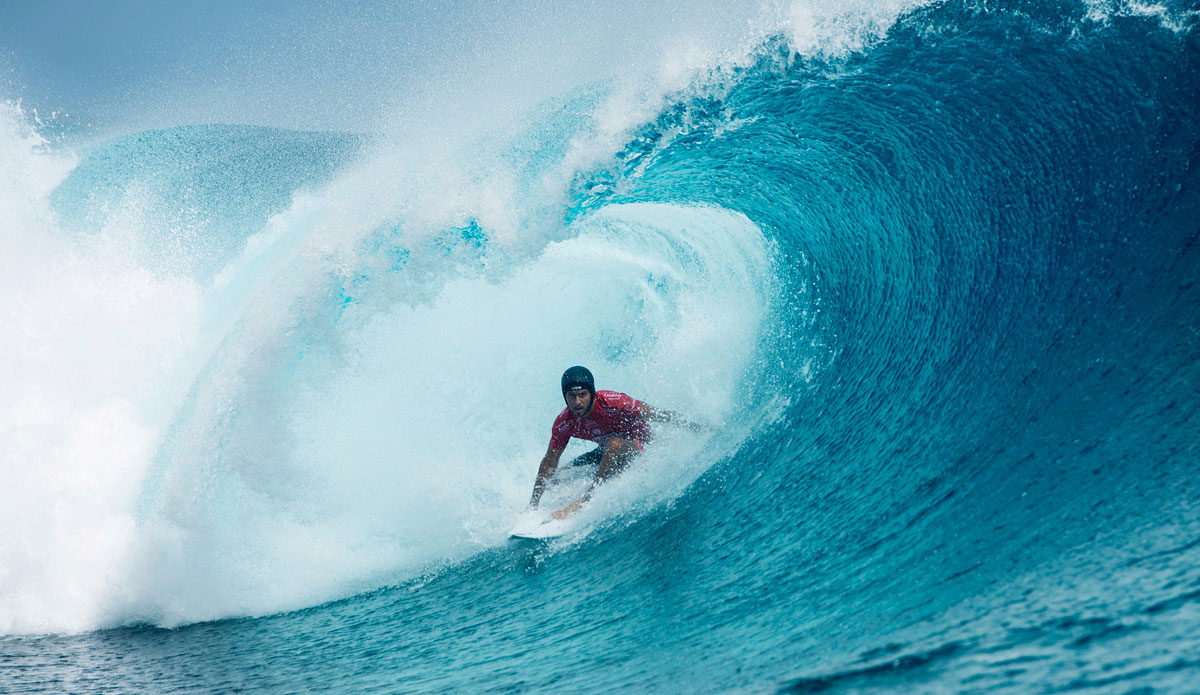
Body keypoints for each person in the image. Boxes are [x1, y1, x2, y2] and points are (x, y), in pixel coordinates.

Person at [529, 365, 705, 520]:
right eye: (571, 396)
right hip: (608, 452)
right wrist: (533, 505)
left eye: (582, 395)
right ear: (565, 397)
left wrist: (698, 428)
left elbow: (658, 414)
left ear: (591, 393)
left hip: (639, 446)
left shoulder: (613, 402)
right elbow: (549, 461)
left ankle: (584, 501)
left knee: (614, 444)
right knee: (560, 476)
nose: (577, 402)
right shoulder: (564, 422)